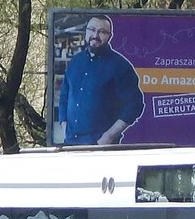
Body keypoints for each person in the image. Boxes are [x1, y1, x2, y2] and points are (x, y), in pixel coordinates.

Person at [55, 15, 144, 146]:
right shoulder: (75, 62)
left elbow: (135, 105)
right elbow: (64, 97)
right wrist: (64, 126)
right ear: (86, 32)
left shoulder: (120, 66)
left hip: (101, 146)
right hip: (70, 143)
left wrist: (108, 137)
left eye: (102, 32)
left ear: (110, 36)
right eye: (91, 29)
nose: (95, 35)